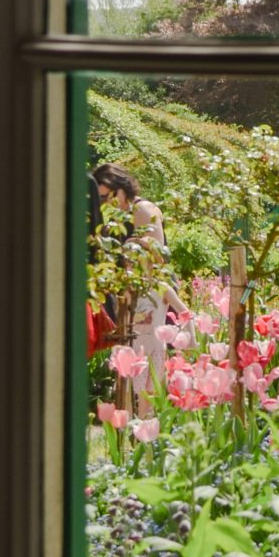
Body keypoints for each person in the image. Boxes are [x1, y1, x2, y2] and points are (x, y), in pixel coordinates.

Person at [92, 162, 178, 390]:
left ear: (124, 187)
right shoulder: (112, 219)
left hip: (152, 296)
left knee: (154, 371)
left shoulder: (143, 210)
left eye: (111, 194)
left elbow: (157, 259)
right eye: (101, 198)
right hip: (129, 299)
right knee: (134, 372)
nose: (108, 201)